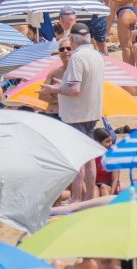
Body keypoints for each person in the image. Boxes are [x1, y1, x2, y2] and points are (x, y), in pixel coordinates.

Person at [42, 24, 103, 202]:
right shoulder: (96, 55)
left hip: (76, 113)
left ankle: (77, 198)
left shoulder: (77, 58)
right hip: (91, 110)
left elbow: (74, 89)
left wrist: (55, 88)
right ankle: (89, 196)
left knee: (78, 159)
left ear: (74, 40)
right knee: (89, 157)